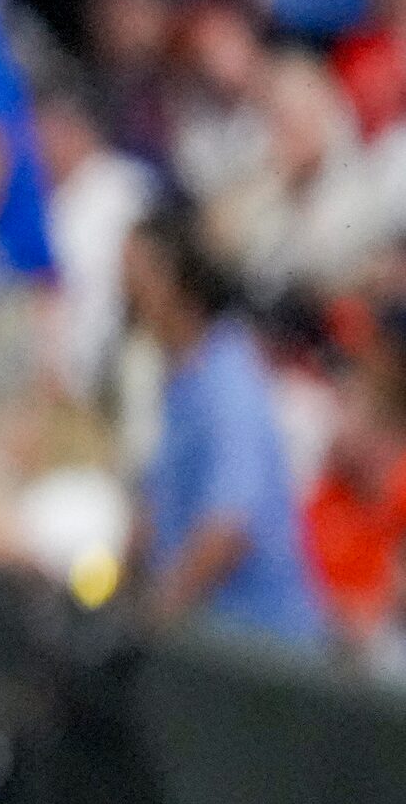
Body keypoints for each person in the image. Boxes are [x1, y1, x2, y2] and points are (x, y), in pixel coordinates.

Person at [120, 205, 328, 649]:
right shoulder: (180, 378)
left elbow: (230, 526)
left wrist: (151, 619)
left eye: (136, 277)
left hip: (261, 654)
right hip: (208, 638)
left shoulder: (229, 379)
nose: (127, 294)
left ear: (173, 281)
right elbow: (158, 508)